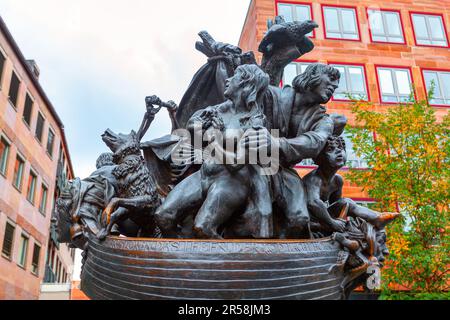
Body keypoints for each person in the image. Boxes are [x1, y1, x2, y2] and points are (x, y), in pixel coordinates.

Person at [155, 64, 273, 239]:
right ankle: (181, 257)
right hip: (204, 175)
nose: (228, 80)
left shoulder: (255, 122)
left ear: (245, 85)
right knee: (163, 216)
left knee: (203, 228)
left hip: (231, 182)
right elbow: (192, 127)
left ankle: (229, 262)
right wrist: (196, 126)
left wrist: (212, 138)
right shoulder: (219, 109)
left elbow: (235, 163)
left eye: (235, 77)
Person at [242, 63, 341, 238]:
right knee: (256, 213)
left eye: (336, 85)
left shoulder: (323, 120)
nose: (334, 86)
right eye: (331, 80)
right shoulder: (270, 95)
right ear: (313, 76)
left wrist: (275, 143)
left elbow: (315, 142)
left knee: (299, 218)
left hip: (282, 170)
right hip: (247, 162)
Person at [303, 134, 400, 233]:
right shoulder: (314, 179)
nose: (338, 152)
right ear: (319, 158)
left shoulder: (337, 180)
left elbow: (338, 205)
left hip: (324, 220)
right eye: (330, 149)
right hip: (308, 222)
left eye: (340, 148)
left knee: (346, 202)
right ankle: (376, 218)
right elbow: (313, 203)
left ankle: (377, 218)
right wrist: (332, 223)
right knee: (346, 202)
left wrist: (337, 221)